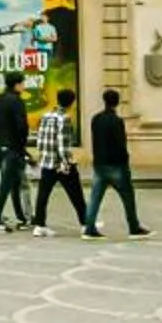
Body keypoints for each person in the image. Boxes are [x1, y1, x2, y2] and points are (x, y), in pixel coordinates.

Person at [84, 88, 150, 239]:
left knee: (95, 197)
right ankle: (134, 227)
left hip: (99, 163)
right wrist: (125, 161)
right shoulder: (117, 121)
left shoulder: (96, 119)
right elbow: (121, 144)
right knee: (128, 197)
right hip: (116, 165)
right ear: (117, 102)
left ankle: (89, 227)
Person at [29, 87, 85, 236]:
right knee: (76, 193)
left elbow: (39, 139)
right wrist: (67, 162)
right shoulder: (64, 119)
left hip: (47, 161)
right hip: (60, 163)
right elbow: (62, 144)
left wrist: (42, 154)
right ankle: (85, 223)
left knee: (43, 194)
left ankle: (39, 225)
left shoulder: (46, 116)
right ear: (71, 103)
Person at [0, 72, 32, 230]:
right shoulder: (17, 101)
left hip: (0, 146)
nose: (24, 86)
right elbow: (22, 126)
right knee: (6, 185)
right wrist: (22, 146)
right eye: (23, 83)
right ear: (17, 85)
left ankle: (21, 218)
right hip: (13, 148)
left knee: (15, 183)